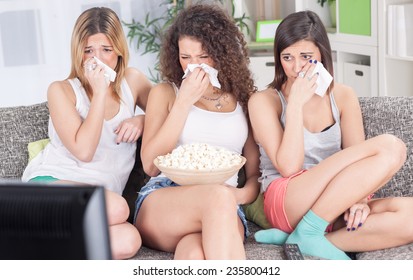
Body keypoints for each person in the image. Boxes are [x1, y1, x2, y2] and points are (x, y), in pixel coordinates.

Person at [248, 10, 413, 260]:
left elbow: (360, 163)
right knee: (390, 146)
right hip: (287, 199)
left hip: (333, 203)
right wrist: (295, 106)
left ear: (322, 55)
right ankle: (310, 230)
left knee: (409, 216)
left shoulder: (343, 96)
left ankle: (307, 239)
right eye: (287, 57)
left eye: (305, 56)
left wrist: (360, 200)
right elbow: (289, 168)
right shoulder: (263, 101)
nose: (296, 67)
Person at [22, 7, 152, 259]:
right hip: (54, 184)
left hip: (97, 204)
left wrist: (143, 119)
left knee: (129, 240)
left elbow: (166, 112)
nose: (98, 60)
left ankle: (43, 246)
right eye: (89, 51)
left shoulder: (133, 81)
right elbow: (84, 151)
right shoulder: (61, 91)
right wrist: (100, 92)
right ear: (78, 53)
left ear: (119, 51)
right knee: (118, 208)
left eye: (106, 50)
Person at [133, 4, 260, 260]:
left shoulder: (244, 100)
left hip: (225, 203)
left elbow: (256, 174)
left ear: (222, 54)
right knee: (217, 198)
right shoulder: (165, 94)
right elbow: (150, 165)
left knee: (193, 254)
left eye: (203, 57)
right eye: (185, 57)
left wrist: (239, 195)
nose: (195, 66)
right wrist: (184, 102)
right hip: (166, 198)